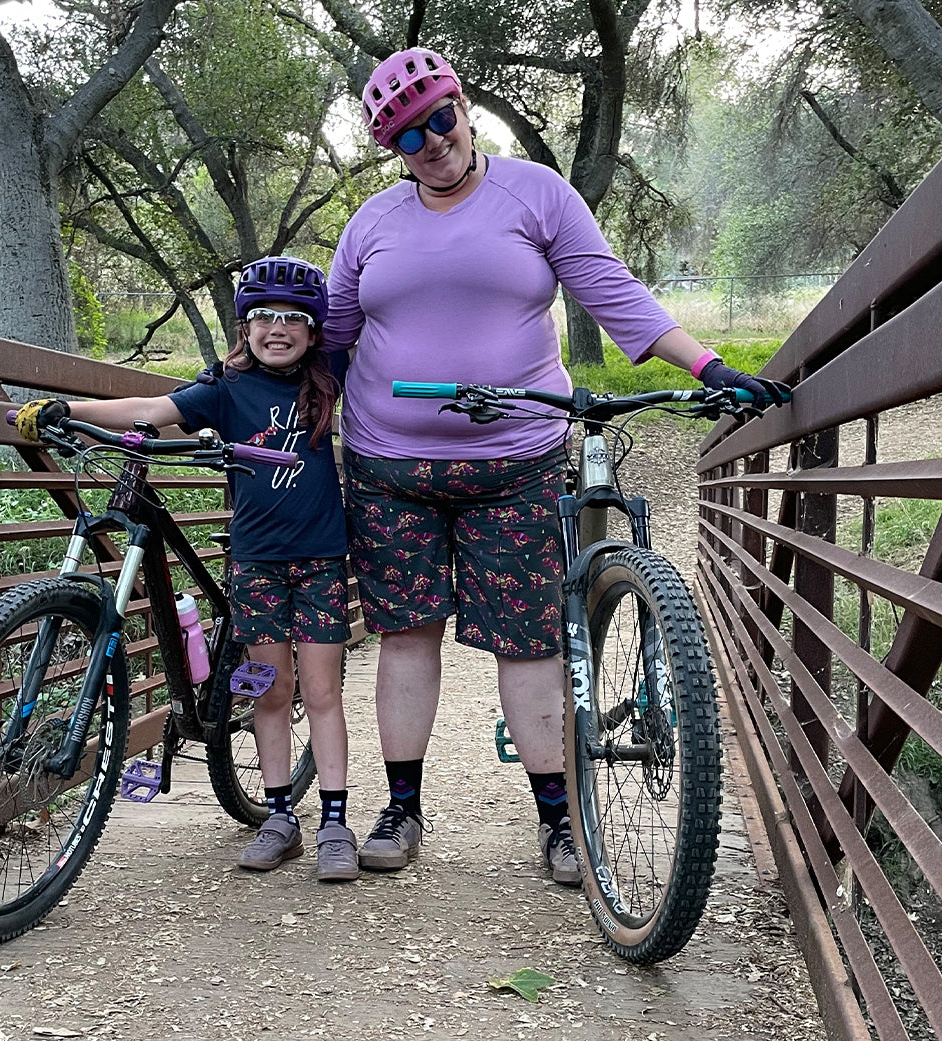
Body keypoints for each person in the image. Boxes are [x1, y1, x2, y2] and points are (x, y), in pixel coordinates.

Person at [324, 47, 789, 884]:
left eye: (441, 119)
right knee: (405, 636)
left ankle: (558, 819)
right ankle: (401, 808)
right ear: (393, 149)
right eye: (408, 137)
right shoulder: (372, 224)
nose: (432, 142)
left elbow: (613, 293)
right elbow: (330, 335)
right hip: (390, 465)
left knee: (529, 642)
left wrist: (708, 367)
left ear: (464, 107)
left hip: (516, 460)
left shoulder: (536, 194)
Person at [14, 257, 360, 882]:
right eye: (262, 318)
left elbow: (381, 335)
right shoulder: (225, 390)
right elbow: (152, 406)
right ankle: (280, 818)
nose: (276, 329)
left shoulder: (329, 378)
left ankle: (335, 821)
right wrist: (66, 407)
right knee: (271, 690)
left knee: (323, 692)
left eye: (293, 319)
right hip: (255, 561)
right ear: (244, 328)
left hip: (322, 561)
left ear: (314, 333)